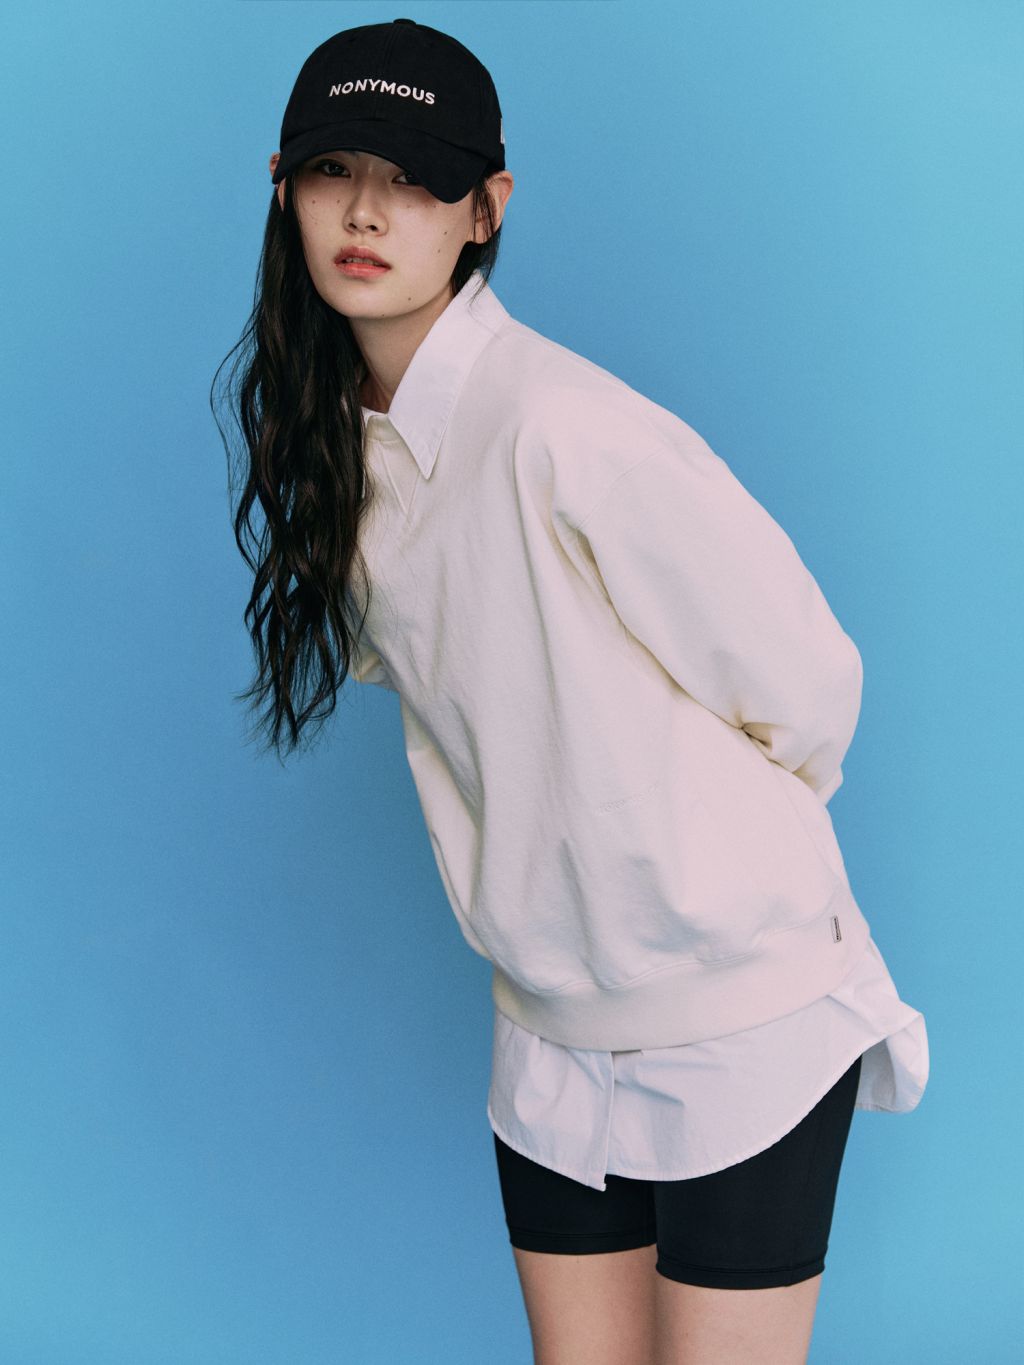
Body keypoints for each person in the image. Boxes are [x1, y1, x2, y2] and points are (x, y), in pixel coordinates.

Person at [212, 18, 929, 1364]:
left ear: (485, 209)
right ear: (283, 186)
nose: (365, 213)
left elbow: (807, 681)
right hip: (548, 1027)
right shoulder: (348, 459)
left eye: (415, 180)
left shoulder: (564, 426)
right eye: (332, 171)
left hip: (742, 1013)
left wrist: (709, 849)